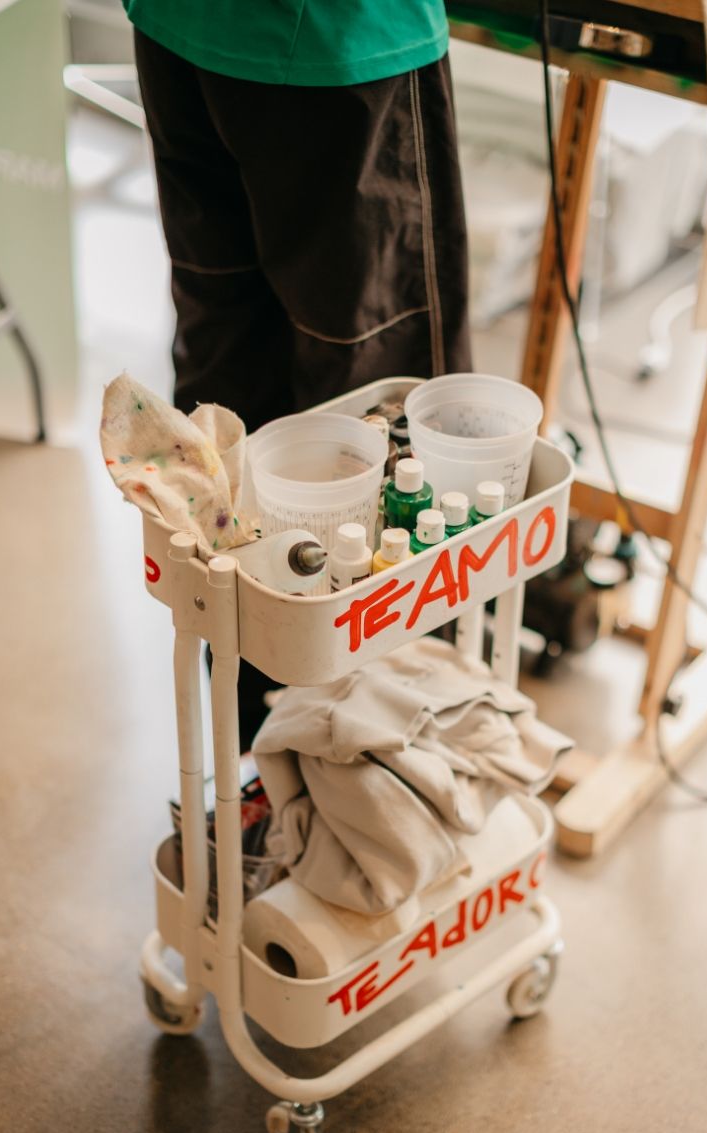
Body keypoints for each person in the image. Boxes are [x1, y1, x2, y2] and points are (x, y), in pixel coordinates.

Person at [124, 1, 473, 745]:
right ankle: (367, 768)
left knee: (227, 383)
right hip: (334, 42)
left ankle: (260, 746)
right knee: (383, 428)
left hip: (182, 28)